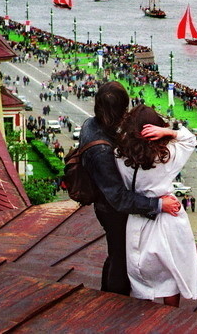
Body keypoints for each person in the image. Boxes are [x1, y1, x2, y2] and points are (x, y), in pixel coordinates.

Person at [81, 81, 180, 297]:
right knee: (123, 258)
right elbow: (118, 198)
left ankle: (108, 294)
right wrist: (158, 204)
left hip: (104, 203)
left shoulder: (91, 124)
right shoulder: (101, 150)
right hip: (112, 209)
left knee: (116, 253)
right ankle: (118, 302)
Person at [114, 104, 197, 307]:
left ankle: (145, 316)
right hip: (167, 217)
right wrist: (169, 132)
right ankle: (170, 315)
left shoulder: (119, 154)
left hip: (137, 216)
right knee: (170, 276)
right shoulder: (168, 154)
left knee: (140, 274)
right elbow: (191, 140)